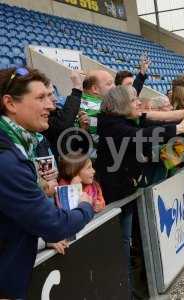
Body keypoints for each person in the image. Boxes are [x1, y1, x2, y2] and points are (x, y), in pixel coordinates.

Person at [95, 85, 184, 295]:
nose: (139, 102)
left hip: (130, 192)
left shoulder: (125, 117)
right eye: (134, 100)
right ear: (121, 105)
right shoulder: (112, 125)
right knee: (123, 245)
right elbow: (144, 135)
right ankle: (127, 292)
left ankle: (138, 287)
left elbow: (155, 117)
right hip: (117, 197)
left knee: (135, 242)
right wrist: (180, 128)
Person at [0, 67, 94, 299]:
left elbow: (16, 218)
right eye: (41, 98)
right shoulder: (7, 160)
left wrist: (41, 239)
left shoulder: (18, 147)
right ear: (10, 103)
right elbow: (55, 224)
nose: (51, 106)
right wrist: (85, 206)